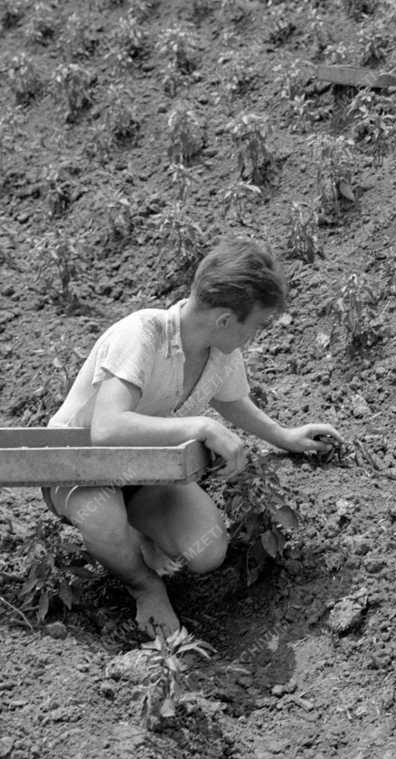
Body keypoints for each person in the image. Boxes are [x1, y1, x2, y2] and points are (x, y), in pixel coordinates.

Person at [42, 238, 341, 637]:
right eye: (255, 325)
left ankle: (137, 531)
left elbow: (232, 402)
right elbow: (108, 428)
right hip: (78, 469)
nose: (254, 336)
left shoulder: (220, 352)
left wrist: (285, 436)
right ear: (223, 320)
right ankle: (145, 586)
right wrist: (200, 426)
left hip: (143, 473)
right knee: (101, 516)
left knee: (207, 550)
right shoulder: (143, 335)